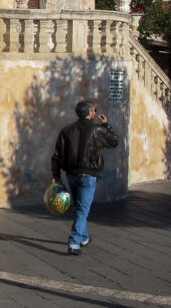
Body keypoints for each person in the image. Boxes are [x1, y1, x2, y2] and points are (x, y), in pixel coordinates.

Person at [51, 100, 120, 255]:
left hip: (72, 174)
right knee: (82, 209)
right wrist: (106, 125)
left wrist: (56, 175)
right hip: (89, 174)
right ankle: (74, 242)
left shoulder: (66, 130)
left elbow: (56, 155)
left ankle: (83, 237)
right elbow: (114, 141)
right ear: (90, 113)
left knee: (79, 207)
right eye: (94, 110)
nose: (95, 112)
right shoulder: (97, 130)